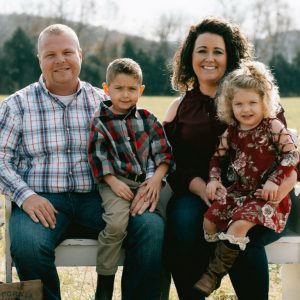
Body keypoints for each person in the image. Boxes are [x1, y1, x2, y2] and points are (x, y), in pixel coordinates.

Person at [0, 24, 166, 300]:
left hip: (99, 197)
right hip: (43, 200)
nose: (60, 60)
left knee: (150, 227)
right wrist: (25, 197)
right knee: (28, 243)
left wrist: (150, 180)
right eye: (50, 54)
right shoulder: (17, 106)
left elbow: (144, 144)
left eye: (67, 51)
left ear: (80, 54)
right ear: (39, 59)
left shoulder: (103, 102)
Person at [163, 16, 297, 300]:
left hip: (260, 193)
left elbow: (291, 157)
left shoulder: (259, 101)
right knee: (184, 221)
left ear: (230, 56)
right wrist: (202, 187)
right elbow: (173, 164)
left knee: (243, 235)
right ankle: (194, 294)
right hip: (200, 190)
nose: (209, 58)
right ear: (191, 56)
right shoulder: (180, 108)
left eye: (218, 51)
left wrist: (275, 189)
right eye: (202, 50)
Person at [193, 60, 299, 296]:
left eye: (252, 102)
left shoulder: (272, 126)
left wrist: (275, 180)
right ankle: (220, 259)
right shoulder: (231, 132)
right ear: (230, 106)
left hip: (267, 197)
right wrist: (213, 180)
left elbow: (292, 155)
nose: (246, 109)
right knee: (209, 220)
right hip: (239, 194)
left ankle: (213, 274)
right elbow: (216, 159)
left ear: (264, 103)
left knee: (239, 226)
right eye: (239, 104)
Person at [88, 58, 174, 299]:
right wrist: (113, 182)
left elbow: (164, 152)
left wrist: (156, 180)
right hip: (113, 183)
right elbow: (97, 156)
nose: (125, 95)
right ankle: (105, 281)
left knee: (156, 226)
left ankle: (152, 291)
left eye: (131, 89)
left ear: (141, 90)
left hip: (146, 184)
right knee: (116, 223)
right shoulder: (100, 121)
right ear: (106, 89)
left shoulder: (148, 119)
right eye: (119, 88)